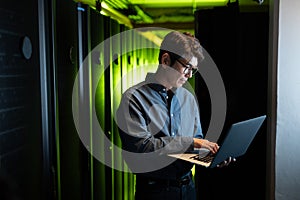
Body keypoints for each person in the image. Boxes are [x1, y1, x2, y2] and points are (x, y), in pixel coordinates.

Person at [116, 31, 234, 200]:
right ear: (165, 61)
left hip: (188, 190)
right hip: (154, 192)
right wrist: (189, 142)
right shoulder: (134, 98)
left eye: (194, 70)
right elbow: (141, 148)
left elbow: (196, 142)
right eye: (187, 67)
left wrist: (212, 158)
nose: (190, 75)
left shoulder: (188, 99)